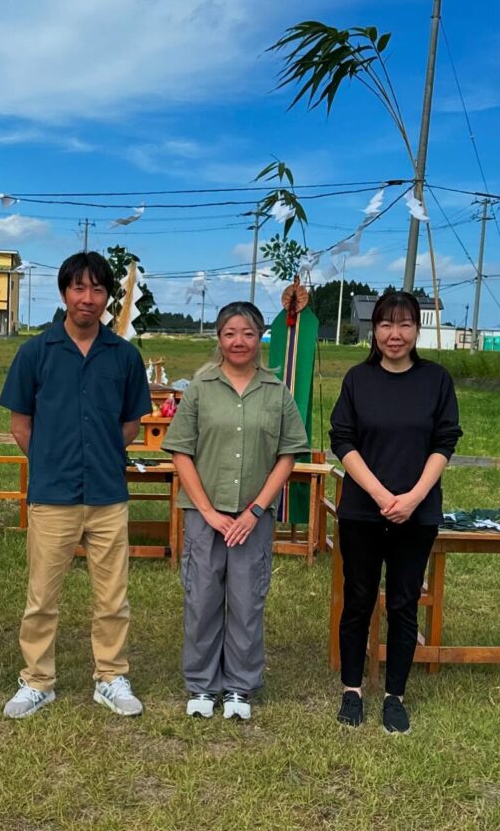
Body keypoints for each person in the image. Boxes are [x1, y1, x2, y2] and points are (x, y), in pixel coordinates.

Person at [0, 251, 152, 719]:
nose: (88, 298)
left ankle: (110, 676)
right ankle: (37, 680)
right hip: (53, 495)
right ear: (64, 292)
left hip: (107, 495)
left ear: (109, 296)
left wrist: (98, 454)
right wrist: (50, 461)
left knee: (113, 597)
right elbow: (20, 424)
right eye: (79, 288)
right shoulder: (35, 352)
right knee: (42, 596)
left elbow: (130, 424)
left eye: (98, 289)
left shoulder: (124, 355)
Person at [162, 302, 308, 721]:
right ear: (219, 338)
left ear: (259, 336)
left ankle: (240, 687)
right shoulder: (200, 388)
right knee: (202, 598)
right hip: (205, 516)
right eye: (229, 333)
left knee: (247, 601)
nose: (238, 341)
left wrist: (256, 509)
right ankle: (203, 685)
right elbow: (181, 453)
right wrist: (207, 511)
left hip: (252, 518)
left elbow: (287, 454)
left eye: (247, 332)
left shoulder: (275, 391)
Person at [329, 291, 461, 734]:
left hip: (416, 514)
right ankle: (352, 690)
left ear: (417, 329)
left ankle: (395, 696)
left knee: (404, 604)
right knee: (359, 599)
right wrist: (382, 494)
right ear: (374, 329)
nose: (395, 334)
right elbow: (342, 441)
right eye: (386, 324)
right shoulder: (357, 380)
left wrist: (413, 497)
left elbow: (445, 442)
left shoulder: (436, 380)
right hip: (362, 512)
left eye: (405, 324)